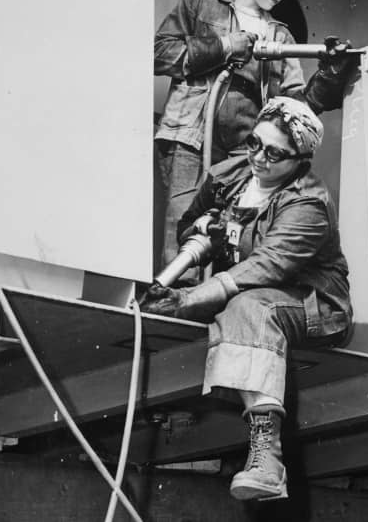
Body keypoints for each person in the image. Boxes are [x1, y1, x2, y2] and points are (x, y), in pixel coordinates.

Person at [142, 96, 351, 501]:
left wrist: (188, 299)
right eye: (255, 143)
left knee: (247, 306)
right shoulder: (231, 174)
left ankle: (268, 462)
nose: (259, 158)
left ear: (299, 160)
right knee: (239, 306)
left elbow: (268, 267)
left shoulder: (309, 203)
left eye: (274, 153)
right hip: (246, 295)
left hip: (312, 303)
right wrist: (202, 231)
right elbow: (190, 223)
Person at [154, 0, 355, 275]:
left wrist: (329, 75)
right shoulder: (199, 5)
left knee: (234, 242)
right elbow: (159, 54)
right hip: (189, 138)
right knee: (183, 234)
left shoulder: (281, 36)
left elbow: (295, 108)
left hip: (245, 152)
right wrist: (226, 46)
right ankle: (173, 315)